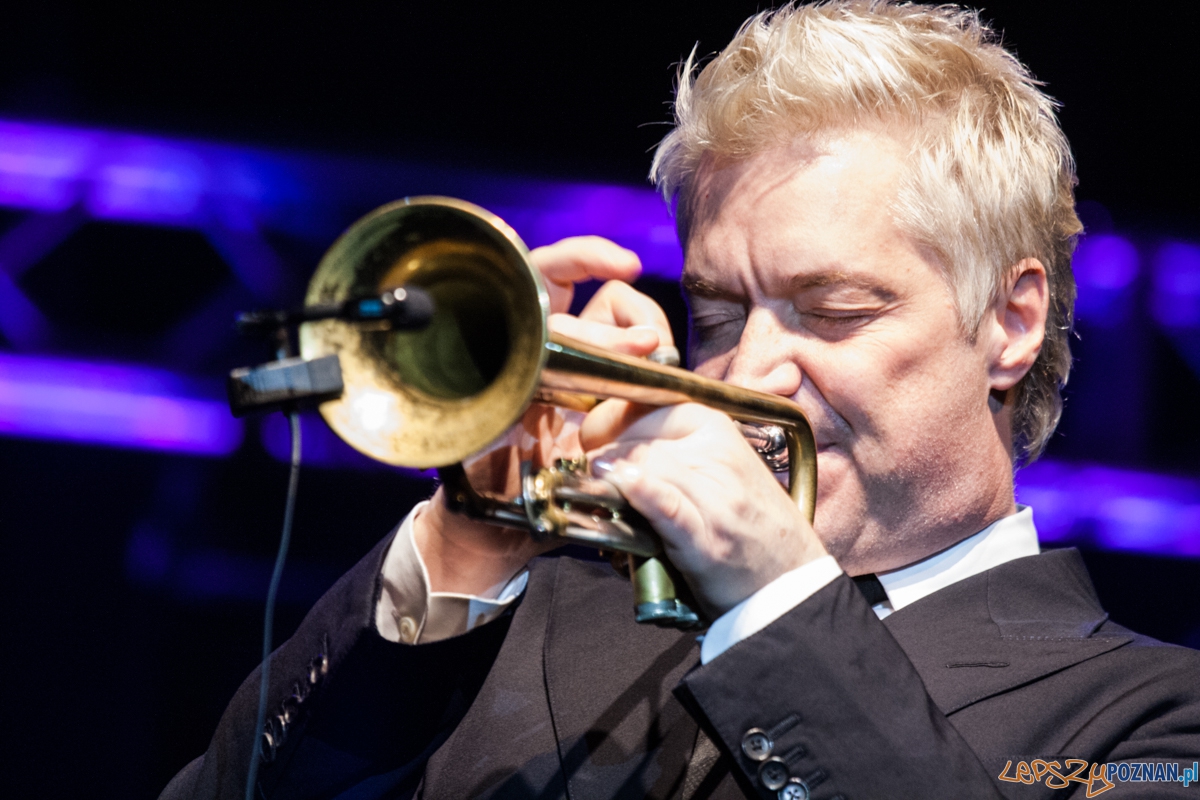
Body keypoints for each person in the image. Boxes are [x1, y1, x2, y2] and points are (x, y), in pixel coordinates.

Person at [162, 2, 1200, 798]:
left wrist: (772, 598)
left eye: (832, 309)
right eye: (715, 313)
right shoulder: (530, 623)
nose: (748, 372)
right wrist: (462, 544)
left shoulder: (1154, 719)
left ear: (1011, 322)